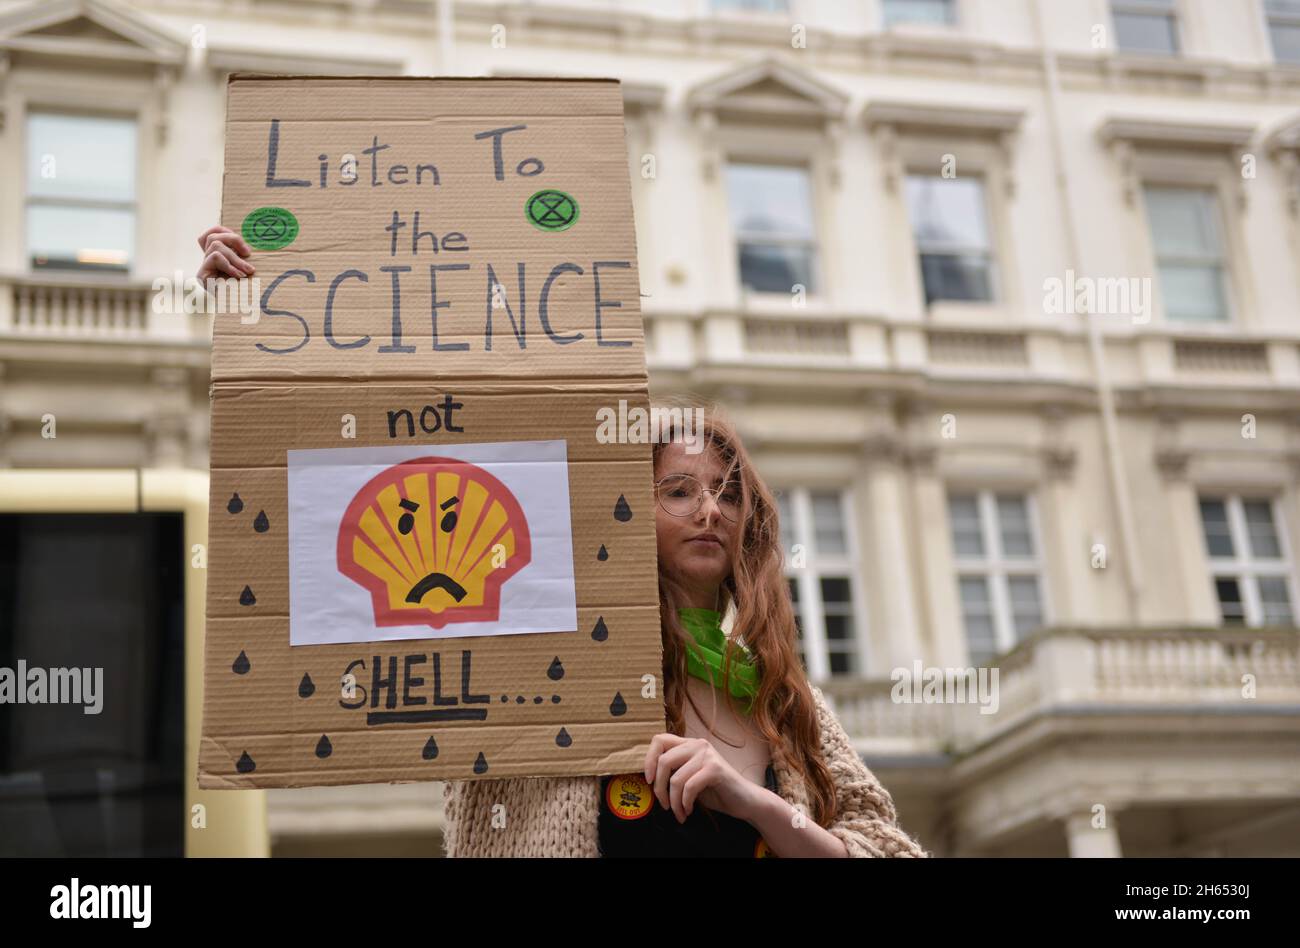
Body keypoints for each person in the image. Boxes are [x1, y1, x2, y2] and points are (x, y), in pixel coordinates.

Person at [196, 226, 930, 858]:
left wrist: (758, 805)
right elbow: (358, 470)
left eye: (728, 492)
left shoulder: (779, 697)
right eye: (678, 490)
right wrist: (255, 314)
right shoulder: (534, 648)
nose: (710, 509)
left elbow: (889, 848)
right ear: (617, 512)